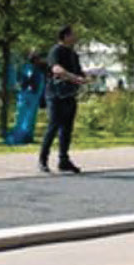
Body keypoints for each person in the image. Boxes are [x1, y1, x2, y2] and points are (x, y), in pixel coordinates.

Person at [40, 25, 87, 174]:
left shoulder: (73, 54)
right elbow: (56, 69)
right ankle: (43, 160)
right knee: (53, 126)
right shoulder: (56, 50)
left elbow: (78, 72)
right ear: (65, 36)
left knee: (67, 129)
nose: (75, 37)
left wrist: (84, 77)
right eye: (73, 34)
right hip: (55, 95)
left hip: (69, 94)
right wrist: (74, 77)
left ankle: (63, 161)